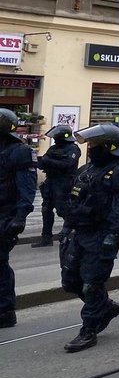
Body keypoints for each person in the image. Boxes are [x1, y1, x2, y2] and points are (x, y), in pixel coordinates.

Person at [59, 123, 119, 351]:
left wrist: (113, 237)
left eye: (95, 144)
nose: (91, 148)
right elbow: (74, 200)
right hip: (79, 231)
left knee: (91, 284)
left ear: (109, 147)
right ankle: (105, 307)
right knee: (70, 281)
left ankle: (89, 328)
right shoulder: (87, 169)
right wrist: (67, 228)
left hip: (102, 233)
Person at [0, 109, 37, 327]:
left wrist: (20, 216)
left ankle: (5, 311)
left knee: (0, 263)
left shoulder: (20, 151)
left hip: (5, 213)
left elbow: (27, 187)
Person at [31, 124, 82, 248]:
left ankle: (73, 233)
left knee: (63, 210)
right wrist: (46, 162)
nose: (54, 139)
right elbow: (42, 163)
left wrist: (50, 162)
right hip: (51, 181)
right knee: (46, 209)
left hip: (64, 182)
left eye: (56, 137)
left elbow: (68, 164)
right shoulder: (53, 148)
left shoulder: (73, 148)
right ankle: (46, 238)